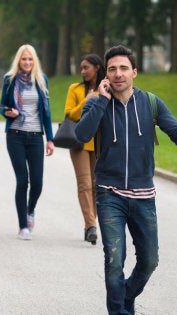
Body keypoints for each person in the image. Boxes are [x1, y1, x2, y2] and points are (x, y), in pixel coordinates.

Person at [75, 45, 177, 314]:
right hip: (109, 195)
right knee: (114, 260)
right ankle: (119, 310)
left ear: (134, 72)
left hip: (144, 197)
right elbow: (81, 135)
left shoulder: (151, 103)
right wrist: (100, 100)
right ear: (105, 75)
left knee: (149, 261)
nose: (118, 74)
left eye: (123, 68)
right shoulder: (97, 102)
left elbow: (174, 129)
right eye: (112, 69)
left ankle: (126, 295)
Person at [0, 44, 54, 240]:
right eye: (24, 59)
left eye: (30, 59)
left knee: (37, 182)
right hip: (15, 135)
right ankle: (23, 225)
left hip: (36, 136)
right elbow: (2, 107)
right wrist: (8, 112)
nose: (27, 62)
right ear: (18, 61)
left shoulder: (41, 80)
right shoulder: (10, 80)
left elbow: (46, 112)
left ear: (34, 61)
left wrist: (50, 139)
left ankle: (30, 211)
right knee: (23, 180)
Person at [63, 54, 106, 245]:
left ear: (97, 67)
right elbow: (69, 114)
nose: (83, 72)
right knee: (85, 184)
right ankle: (91, 226)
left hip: (100, 143)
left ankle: (91, 223)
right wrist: (86, 100)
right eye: (81, 68)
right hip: (79, 142)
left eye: (86, 67)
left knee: (98, 185)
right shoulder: (75, 88)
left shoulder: (107, 88)